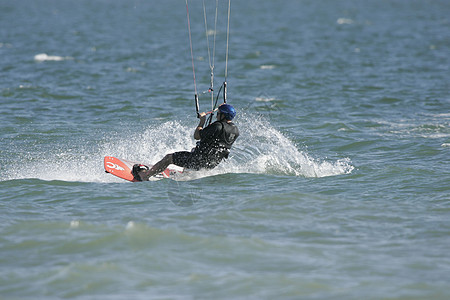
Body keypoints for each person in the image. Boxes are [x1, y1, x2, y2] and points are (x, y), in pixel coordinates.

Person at [132, 103, 239, 181]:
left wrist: (202, 121)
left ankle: (145, 176)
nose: (217, 115)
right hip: (212, 164)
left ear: (223, 115)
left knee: (169, 158)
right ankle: (186, 174)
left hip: (199, 160)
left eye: (219, 113)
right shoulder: (235, 130)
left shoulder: (218, 126)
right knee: (194, 150)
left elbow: (197, 136)